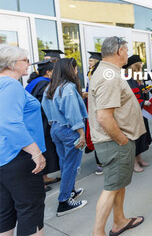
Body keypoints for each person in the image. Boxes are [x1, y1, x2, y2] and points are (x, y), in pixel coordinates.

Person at [89, 37, 146, 236]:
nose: (128, 54)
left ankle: (119, 221)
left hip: (116, 141)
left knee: (118, 184)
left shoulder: (109, 72)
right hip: (114, 142)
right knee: (112, 187)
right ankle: (98, 232)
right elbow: (104, 117)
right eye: (127, 50)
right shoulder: (108, 76)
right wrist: (122, 140)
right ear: (119, 51)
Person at [0, 44, 46, 236]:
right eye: (25, 60)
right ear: (11, 64)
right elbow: (9, 122)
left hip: (4, 158)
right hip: (19, 156)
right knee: (31, 211)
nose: (29, 64)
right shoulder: (11, 85)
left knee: (5, 213)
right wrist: (36, 152)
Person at [42, 58, 88, 216]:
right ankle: (64, 202)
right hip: (70, 130)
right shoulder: (68, 88)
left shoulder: (51, 86)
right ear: (69, 69)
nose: (76, 71)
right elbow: (73, 113)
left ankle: (70, 191)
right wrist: (81, 133)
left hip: (56, 128)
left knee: (65, 163)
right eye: (75, 68)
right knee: (71, 165)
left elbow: (45, 107)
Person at [26, 58, 61, 189]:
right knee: (44, 147)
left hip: (35, 121)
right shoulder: (43, 84)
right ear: (48, 72)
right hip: (41, 122)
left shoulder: (34, 82)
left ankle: (44, 176)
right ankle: (41, 180)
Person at [123, 55, 152, 173]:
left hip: (139, 112)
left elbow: (137, 92)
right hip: (132, 113)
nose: (141, 66)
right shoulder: (126, 78)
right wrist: (143, 101)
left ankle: (139, 158)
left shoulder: (134, 78)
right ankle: (134, 163)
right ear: (134, 66)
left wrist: (143, 91)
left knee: (140, 136)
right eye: (140, 64)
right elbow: (129, 98)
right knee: (135, 137)